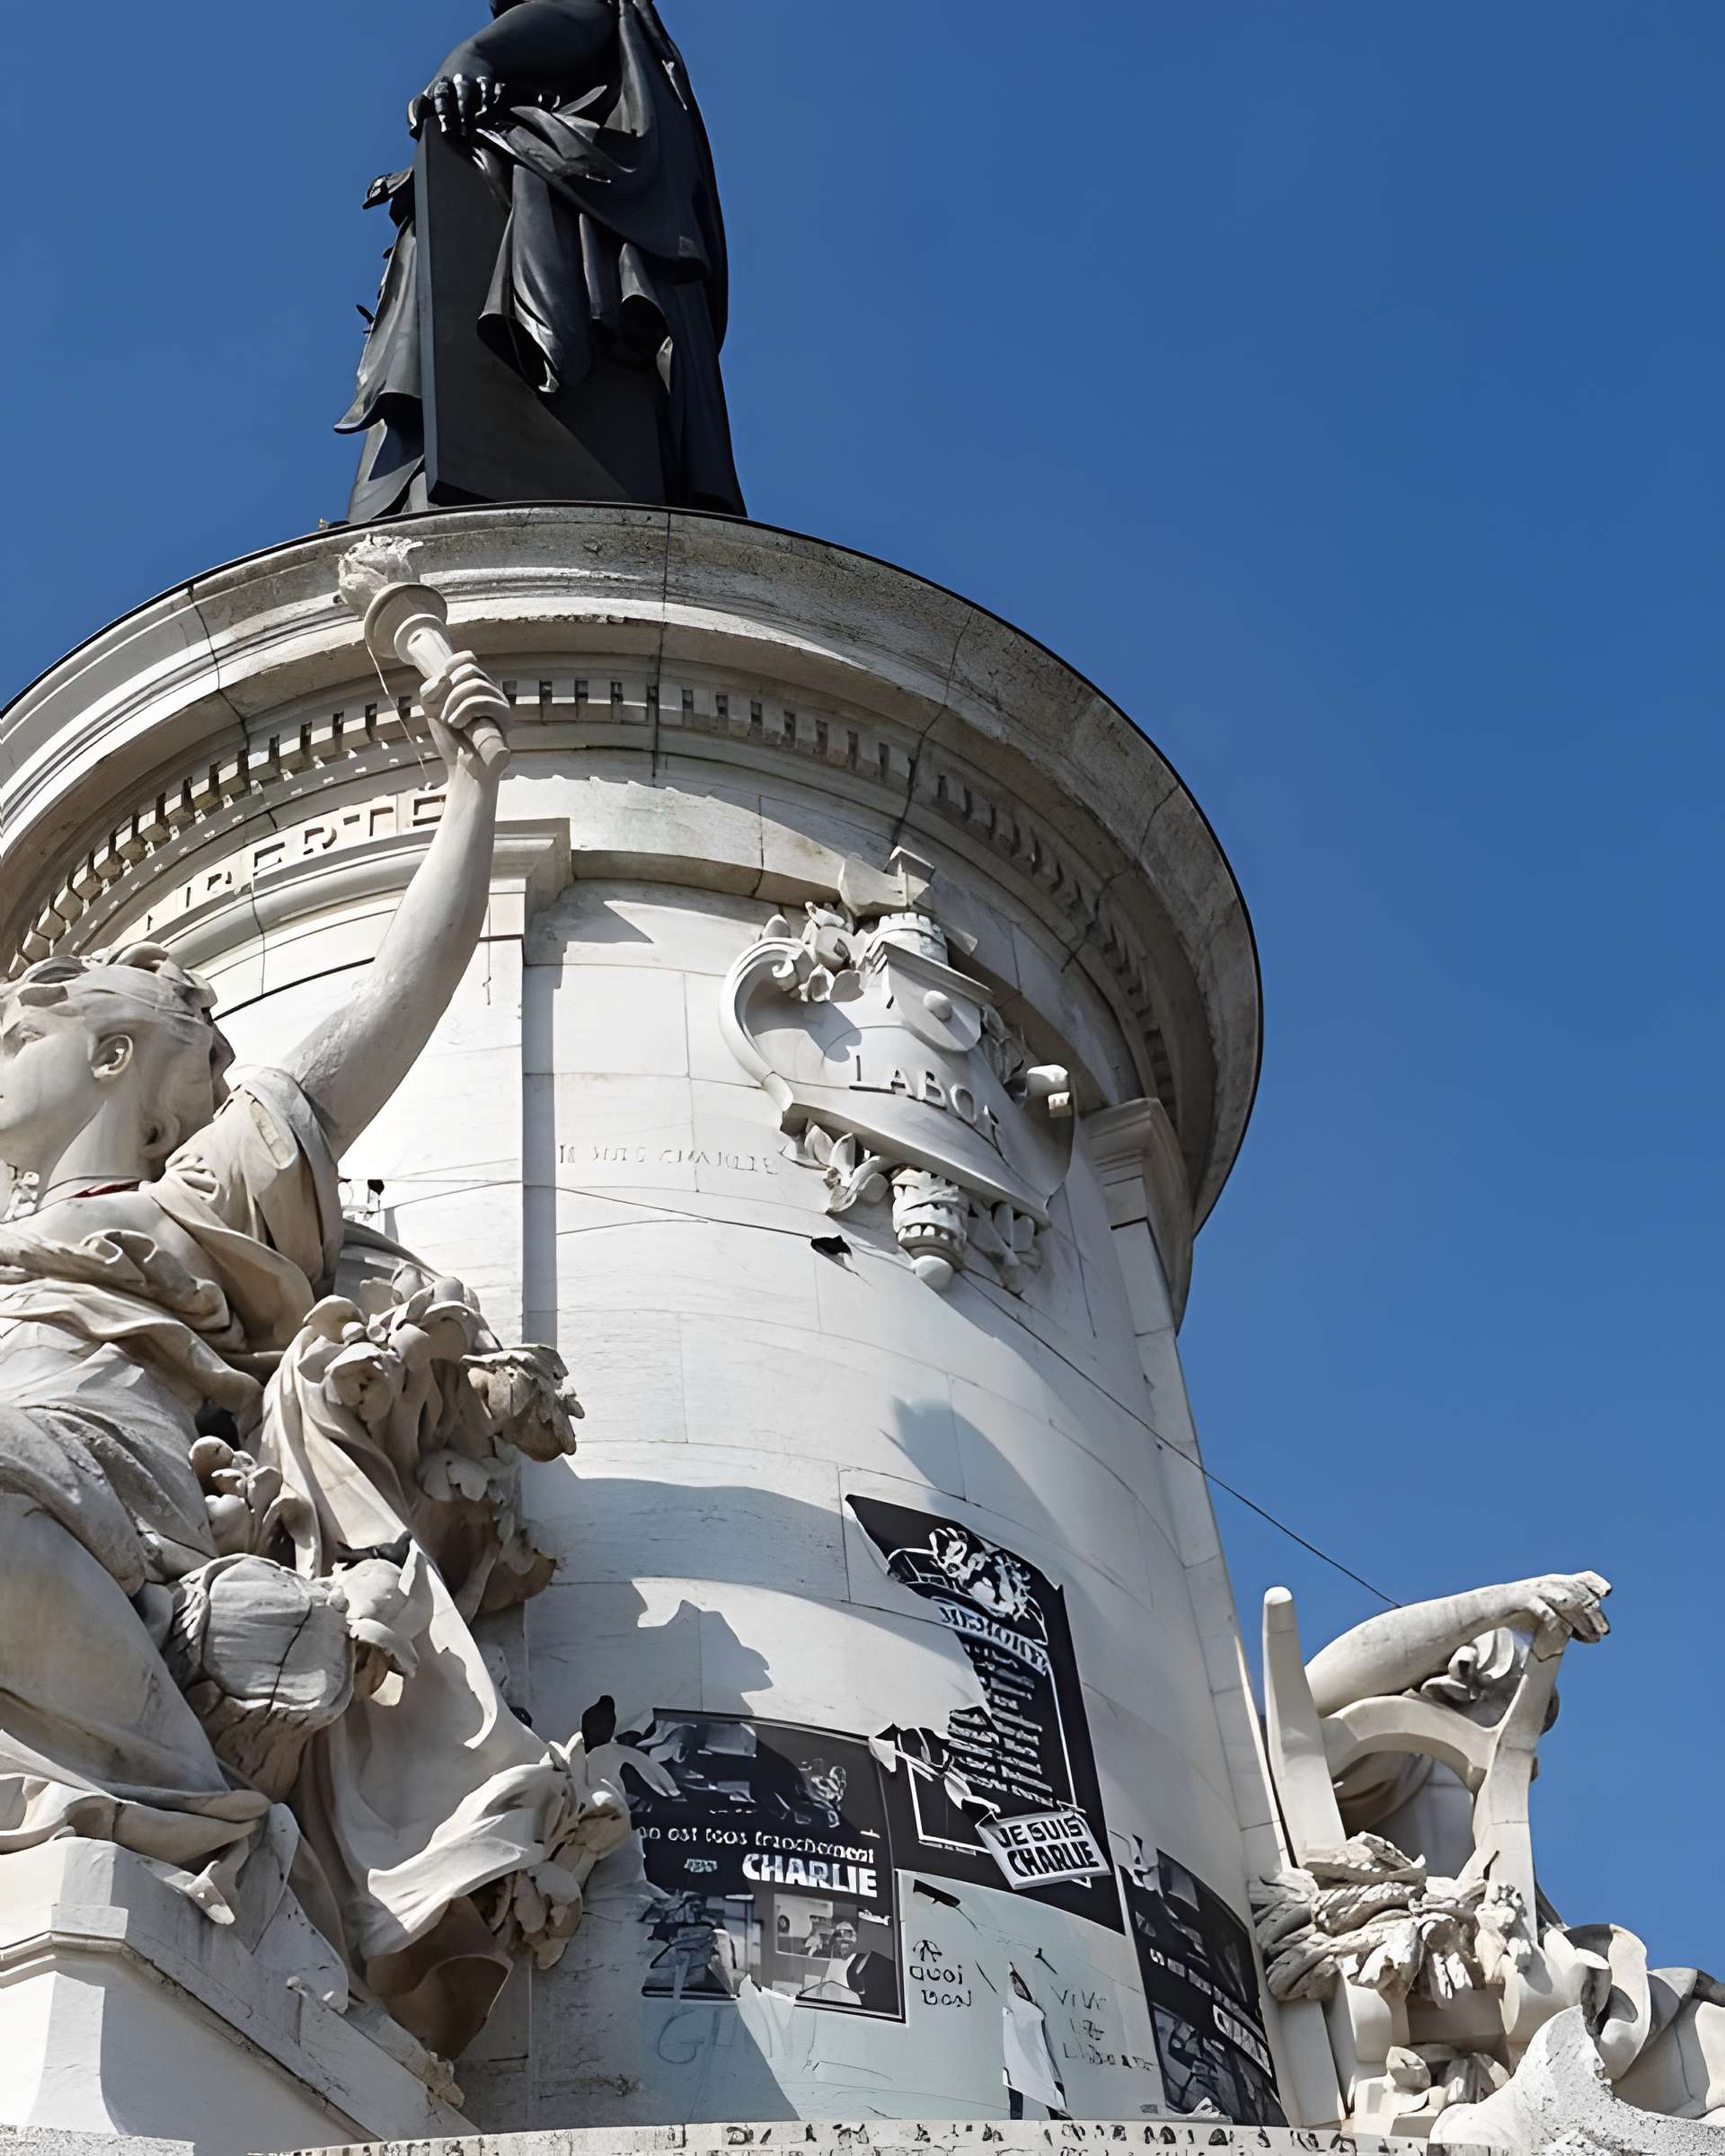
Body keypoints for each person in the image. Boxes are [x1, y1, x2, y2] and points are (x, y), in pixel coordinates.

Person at [0, 653, 606, 2054]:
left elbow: (390, 1005)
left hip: (102, 1484)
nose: (3, 1027)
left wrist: (472, 789)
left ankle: (204, 1817)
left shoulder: (193, 1197)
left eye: (30, 1018)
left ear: (118, 1059)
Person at [338, 0, 745, 523]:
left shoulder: (591, 32)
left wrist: (473, 55)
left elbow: (581, 13)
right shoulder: (541, 94)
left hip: (589, 298)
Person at [1003, 1966, 1069, 2120]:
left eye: (1019, 1984)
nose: (1018, 1988)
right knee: (1019, 2087)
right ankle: (1017, 2121)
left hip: (1034, 2061)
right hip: (1018, 2063)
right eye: (1015, 1985)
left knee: (1046, 2086)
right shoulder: (1012, 2013)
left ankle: (1058, 2116)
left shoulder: (1028, 2011)